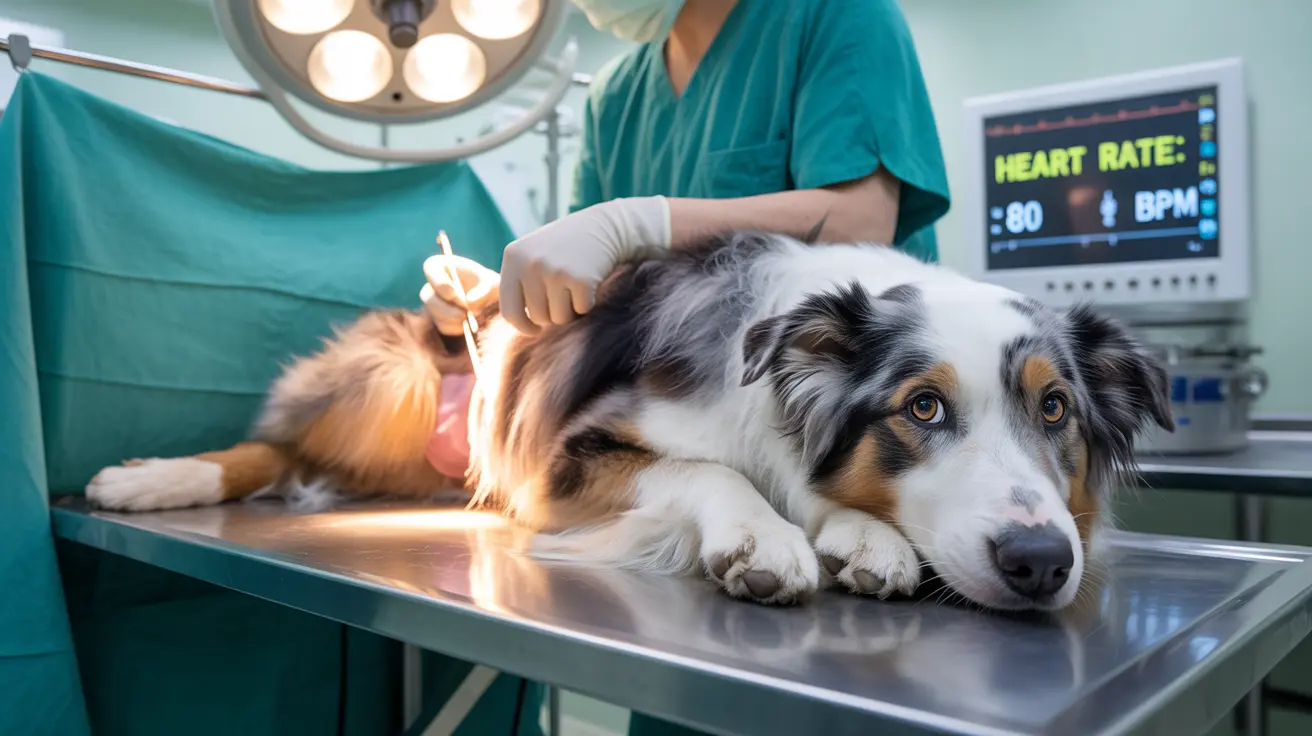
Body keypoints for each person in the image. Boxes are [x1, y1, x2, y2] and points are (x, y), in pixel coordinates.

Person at [421, 0, 949, 733]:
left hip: (857, 471)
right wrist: (503, 302)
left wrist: (642, 221)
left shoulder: (835, 17)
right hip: (700, 522)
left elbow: (862, 220)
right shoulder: (618, 97)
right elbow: (597, 300)